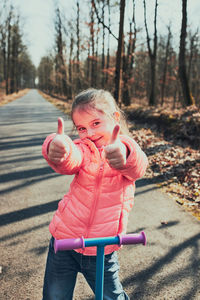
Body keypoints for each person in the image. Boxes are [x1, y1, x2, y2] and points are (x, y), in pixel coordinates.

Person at [42, 88, 148, 300]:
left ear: (114, 118)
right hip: (65, 241)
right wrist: (57, 148)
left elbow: (138, 166)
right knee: (55, 296)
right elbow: (71, 158)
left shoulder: (125, 147)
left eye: (96, 123)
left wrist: (123, 156)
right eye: (81, 128)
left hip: (103, 250)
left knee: (112, 296)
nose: (89, 133)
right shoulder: (84, 148)